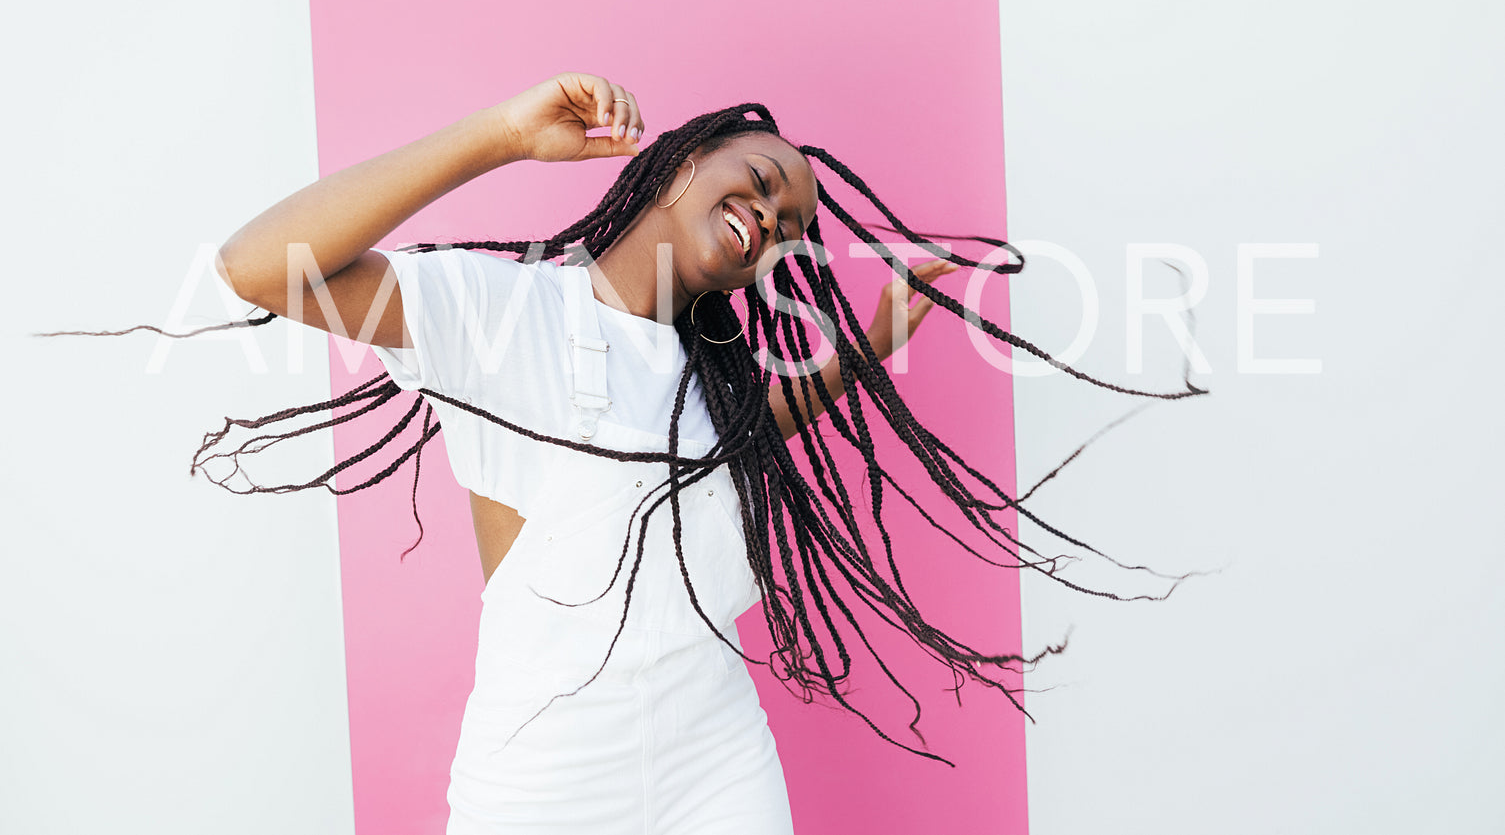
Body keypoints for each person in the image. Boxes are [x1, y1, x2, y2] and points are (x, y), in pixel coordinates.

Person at [200, 71, 1203, 833]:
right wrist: (499, 136)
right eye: (762, 181)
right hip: (545, 777)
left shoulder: (711, 370)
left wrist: (864, 351)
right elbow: (257, 265)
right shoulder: (505, 313)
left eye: (790, 227)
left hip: (714, 761)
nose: (771, 219)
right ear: (684, 159)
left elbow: (710, 456)